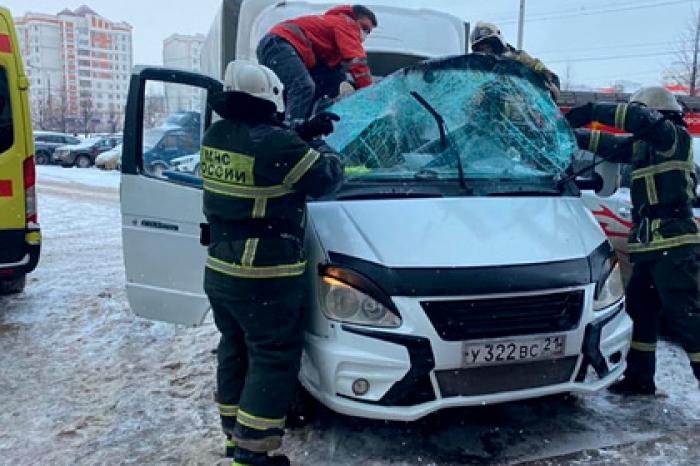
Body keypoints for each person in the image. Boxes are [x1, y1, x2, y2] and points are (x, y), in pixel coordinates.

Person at [200, 60, 344, 465]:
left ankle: (234, 438)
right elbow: (329, 177)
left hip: (221, 271)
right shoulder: (277, 145)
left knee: (235, 349)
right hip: (263, 275)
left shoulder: (217, 134)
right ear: (271, 99)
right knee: (273, 355)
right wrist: (320, 143)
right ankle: (253, 455)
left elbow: (259, 145)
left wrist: (301, 130)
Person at [566, 86, 700, 395]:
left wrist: (589, 111)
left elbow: (638, 118)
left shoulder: (673, 139)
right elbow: (608, 144)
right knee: (641, 311)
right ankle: (640, 379)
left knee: (686, 317)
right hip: (649, 247)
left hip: (674, 245)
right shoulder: (645, 147)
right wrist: (569, 135)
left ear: (659, 116)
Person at [256, 4, 377, 122]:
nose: (364, 34)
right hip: (280, 43)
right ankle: (293, 132)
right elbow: (357, 61)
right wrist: (370, 92)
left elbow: (331, 72)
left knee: (314, 88)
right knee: (303, 87)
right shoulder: (345, 23)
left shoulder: (330, 36)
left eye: (368, 32)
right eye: (364, 27)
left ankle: (301, 125)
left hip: (278, 46)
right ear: (354, 19)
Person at [470, 21, 561, 100]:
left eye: (488, 47)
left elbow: (551, 80)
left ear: (497, 44)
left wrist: (545, 90)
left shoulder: (520, 58)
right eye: (480, 49)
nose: (485, 52)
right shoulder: (477, 73)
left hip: (524, 116)